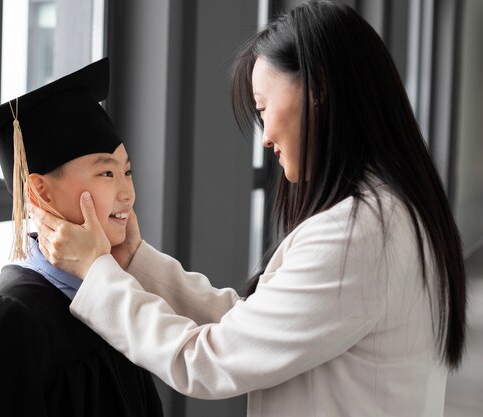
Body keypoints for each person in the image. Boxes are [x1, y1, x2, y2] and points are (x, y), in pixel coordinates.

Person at [32, 2, 467, 416]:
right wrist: (134, 262)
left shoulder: (358, 236)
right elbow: (253, 326)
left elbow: (210, 360)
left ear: (318, 90)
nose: (265, 138)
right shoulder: (391, 213)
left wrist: (97, 272)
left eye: (263, 109)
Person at [0, 58, 163, 417]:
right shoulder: (7, 319)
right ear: (40, 192)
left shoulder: (110, 292)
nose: (127, 194)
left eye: (127, 171)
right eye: (107, 173)